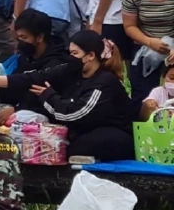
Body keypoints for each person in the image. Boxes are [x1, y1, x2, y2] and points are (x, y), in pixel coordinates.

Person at [27, 30, 134, 161]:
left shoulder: (105, 81)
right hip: (87, 129)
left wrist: (48, 96)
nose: (71, 58)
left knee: (74, 149)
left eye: (75, 53)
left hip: (114, 134)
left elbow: (76, 113)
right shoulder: (75, 76)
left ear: (90, 55)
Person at [0, 9, 72, 117]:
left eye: (24, 37)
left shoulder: (56, 63)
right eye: (18, 38)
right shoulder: (26, 56)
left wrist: (16, 110)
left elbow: (40, 97)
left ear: (40, 37)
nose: (20, 42)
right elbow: (15, 86)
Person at [122, 0, 174, 103]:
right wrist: (150, 42)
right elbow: (129, 26)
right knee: (142, 95)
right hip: (144, 45)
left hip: (172, 45)